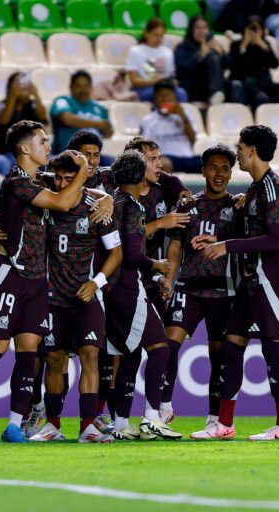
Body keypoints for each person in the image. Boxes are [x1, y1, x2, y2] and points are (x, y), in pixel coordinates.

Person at [0, 121, 111, 443]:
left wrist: (103, 196)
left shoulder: (41, 178)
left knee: (29, 349)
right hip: (9, 270)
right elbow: (64, 201)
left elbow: (74, 189)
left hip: (38, 278)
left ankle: (13, 425)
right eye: (42, 141)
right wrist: (82, 170)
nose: (47, 146)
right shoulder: (15, 182)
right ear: (25, 148)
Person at [191, 125, 279, 442]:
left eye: (239, 147)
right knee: (231, 346)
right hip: (250, 280)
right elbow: (250, 235)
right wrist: (219, 237)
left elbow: (276, 240)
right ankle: (224, 424)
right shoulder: (253, 189)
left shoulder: (273, 188)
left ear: (251, 150)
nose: (236, 153)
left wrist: (227, 246)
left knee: (272, 348)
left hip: (271, 278)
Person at [28, 152, 123, 443]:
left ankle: (87, 427)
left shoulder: (96, 208)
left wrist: (97, 282)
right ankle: (53, 426)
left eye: (68, 179)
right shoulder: (46, 195)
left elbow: (116, 253)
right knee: (55, 359)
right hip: (52, 299)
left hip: (86, 298)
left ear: (79, 179)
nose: (60, 183)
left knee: (90, 355)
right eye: (57, 177)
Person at [161, 144, 242, 430]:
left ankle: (214, 418)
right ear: (203, 170)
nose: (218, 174)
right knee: (168, 345)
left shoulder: (238, 207)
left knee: (219, 356)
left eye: (224, 168)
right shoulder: (187, 206)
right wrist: (169, 282)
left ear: (231, 173)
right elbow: (175, 248)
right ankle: (164, 409)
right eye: (213, 167)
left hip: (223, 290)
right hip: (188, 288)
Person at [105, 150, 182, 441]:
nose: (157, 167)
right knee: (160, 348)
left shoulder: (111, 201)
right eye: (150, 163)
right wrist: (158, 266)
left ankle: (121, 424)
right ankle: (151, 418)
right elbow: (134, 255)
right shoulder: (134, 206)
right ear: (138, 175)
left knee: (129, 355)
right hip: (127, 288)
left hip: (110, 290)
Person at [124, 137, 191, 318]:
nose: (160, 164)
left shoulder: (166, 192)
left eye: (159, 158)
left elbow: (175, 243)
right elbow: (124, 239)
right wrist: (160, 223)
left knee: (160, 344)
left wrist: (168, 282)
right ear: (136, 162)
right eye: (152, 159)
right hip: (122, 279)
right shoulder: (119, 194)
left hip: (154, 280)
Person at [228, 17, 279, 110]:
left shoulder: (264, 44)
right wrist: (244, 46)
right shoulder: (236, 45)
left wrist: (263, 46)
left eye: (257, 29)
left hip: (264, 85)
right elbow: (234, 68)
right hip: (246, 85)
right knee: (262, 98)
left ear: (262, 31)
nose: (254, 32)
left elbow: (275, 64)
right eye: (251, 29)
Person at [141, 80, 203, 175]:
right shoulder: (148, 119)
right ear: (155, 98)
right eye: (161, 95)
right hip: (166, 158)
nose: (165, 99)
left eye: (169, 95)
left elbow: (193, 140)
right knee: (163, 164)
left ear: (175, 97)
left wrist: (183, 117)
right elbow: (147, 149)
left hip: (187, 158)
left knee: (210, 163)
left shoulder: (184, 114)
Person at [0, 72, 49, 173]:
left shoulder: (33, 105)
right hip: (10, 153)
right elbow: (3, 121)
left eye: (25, 82)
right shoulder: (2, 105)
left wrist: (36, 94)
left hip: (36, 152)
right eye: (18, 82)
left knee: (53, 161)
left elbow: (43, 117)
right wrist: (13, 96)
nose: (22, 85)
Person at [125, 18, 189, 103]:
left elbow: (169, 76)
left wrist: (171, 82)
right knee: (162, 94)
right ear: (146, 33)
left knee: (181, 93)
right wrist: (154, 82)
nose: (158, 39)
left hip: (164, 87)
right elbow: (134, 81)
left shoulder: (167, 52)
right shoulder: (135, 51)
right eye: (155, 35)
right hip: (143, 89)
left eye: (161, 36)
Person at [50, 70, 113, 154]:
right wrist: (98, 124)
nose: (83, 90)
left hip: (92, 157)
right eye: (78, 86)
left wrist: (106, 127)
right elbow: (66, 118)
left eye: (86, 86)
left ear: (91, 88)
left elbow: (108, 134)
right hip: (65, 156)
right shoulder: (62, 101)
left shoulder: (99, 108)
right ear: (71, 87)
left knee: (115, 163)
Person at [174, 14, 228, 105]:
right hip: (193, 86)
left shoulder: (212, 45)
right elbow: (182, 70)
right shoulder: (183, 47)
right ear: (191, 30)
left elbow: (229, 65)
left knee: (236, 85)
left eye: (204, 28)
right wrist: (200, 55)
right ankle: (215, 94)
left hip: (212, 85)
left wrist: (221, 52)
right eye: (197, 28)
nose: (201, 31)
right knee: (212, 58)